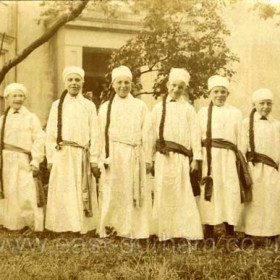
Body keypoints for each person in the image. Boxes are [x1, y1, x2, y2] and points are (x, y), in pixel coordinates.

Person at [98, 65, 153, 239]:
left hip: (134, 154)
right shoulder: (106, 107)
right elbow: (100, 134)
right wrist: (100, 158)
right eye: (119, 82)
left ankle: (135, 230)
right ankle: (113, 227)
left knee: (132, 191)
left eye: (127, 82)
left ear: (132, 84)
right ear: (113, 85)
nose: (123, 86)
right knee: (114, 190)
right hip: (113, 154)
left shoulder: (140, 106)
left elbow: (148, 132)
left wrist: (147, 158)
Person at [45, 66, 100, 234]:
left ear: (83, 82)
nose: (74, 83)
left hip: (82, 153)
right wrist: (51, 158)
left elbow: (95, 133)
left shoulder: (89, 106)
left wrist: (94, 158)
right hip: (62, 153)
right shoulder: (57, 105)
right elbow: (50, 133)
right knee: (64, 189)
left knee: (80, 188)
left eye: (77, 80)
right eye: (70, 80)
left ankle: (82, 225)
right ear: (65, 82)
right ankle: (62, 226)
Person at [151, 68, 203, 241]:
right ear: (167, 85)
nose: (176, 89)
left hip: (181, 158)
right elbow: (151, 134)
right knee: (164, 191)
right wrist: (149, 157)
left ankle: (182, 231)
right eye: (173, 85)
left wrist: (196, 158)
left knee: (181, 192)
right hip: (163, 157)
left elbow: (195, 134)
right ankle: (164, 232)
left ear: (184, 89)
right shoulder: (158, 108)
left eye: (180, 87)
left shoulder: (188, 109)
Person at [197, 75, 244, 238]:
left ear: (227, 94)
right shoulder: (203, 112)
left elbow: (241, 138)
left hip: (229, 159)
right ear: (210, 93)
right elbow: (198, 137)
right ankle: (209, 231)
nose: (219, 95)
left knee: (229, 190)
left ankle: (229, 230)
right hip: (209, 158)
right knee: (210, 190)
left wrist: (240, 159)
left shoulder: (235, 113)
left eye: (223, 92)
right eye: (216, 92)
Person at [0, 83, 45, 233]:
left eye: (20, 96)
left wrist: (36, 160)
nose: (18, 99)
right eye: (14, 96)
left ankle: (31, 223)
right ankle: (11, 223)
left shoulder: (31, 118)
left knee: (26, 191)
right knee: (9, 189)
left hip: (24, 160)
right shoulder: (2, 120)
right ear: (7, 98)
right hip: (7, 159)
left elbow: (39, 139)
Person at [237, 89, 280, 243]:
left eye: (269, 103)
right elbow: (242, 148)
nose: (265, 107)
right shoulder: (246, 123)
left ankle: (272, 233)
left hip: (271, 169)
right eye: (262, 103)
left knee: (271, 200)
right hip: (253, 168)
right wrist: (244, 169)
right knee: (253, 201)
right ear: (254, 104)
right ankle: (249, 233)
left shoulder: (276, 125)